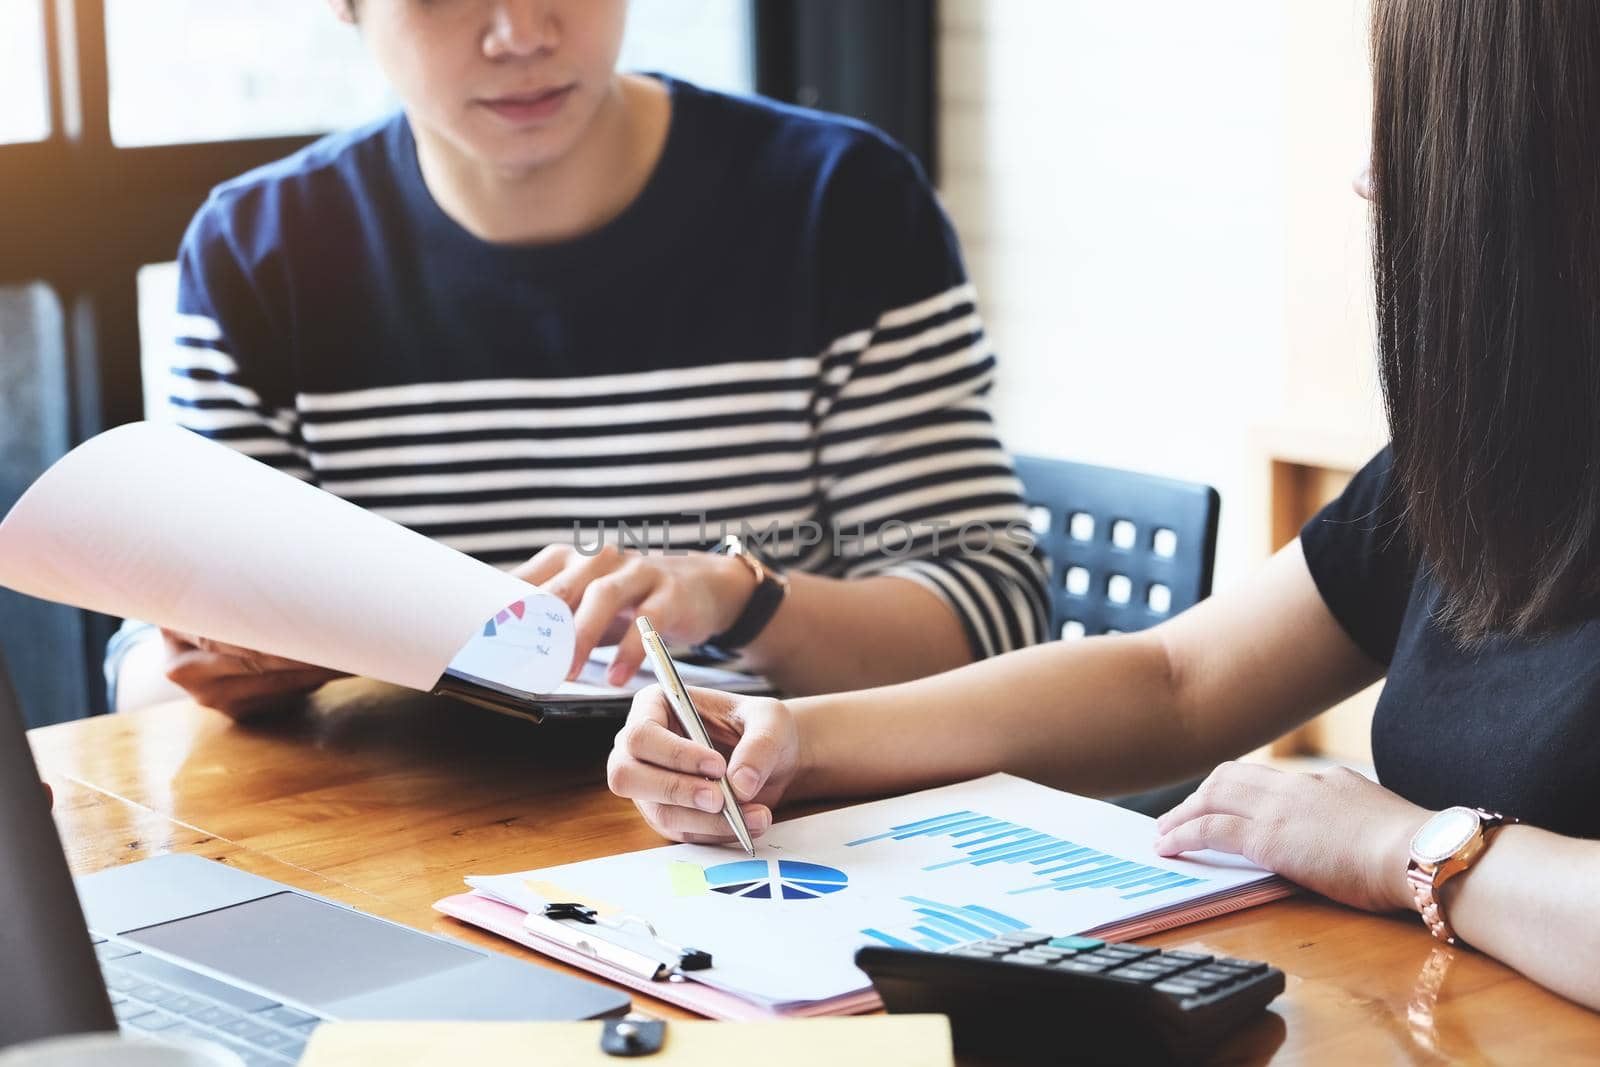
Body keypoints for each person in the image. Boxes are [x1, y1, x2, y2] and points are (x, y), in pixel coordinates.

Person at [607, 0, 1600, 1011]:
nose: (1371, 178)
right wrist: (796, 742)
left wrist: (1407, 845)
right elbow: (1176, 678)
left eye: (1432, 130)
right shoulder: (1498, 445)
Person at [107, 0, 1047, 718]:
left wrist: (734, 599)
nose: (520, 32)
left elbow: (992, 620)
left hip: (760, 822)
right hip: (400, 831)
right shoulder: (261, 251)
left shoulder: (840, 206)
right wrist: (216, 661)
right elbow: (146, 674)